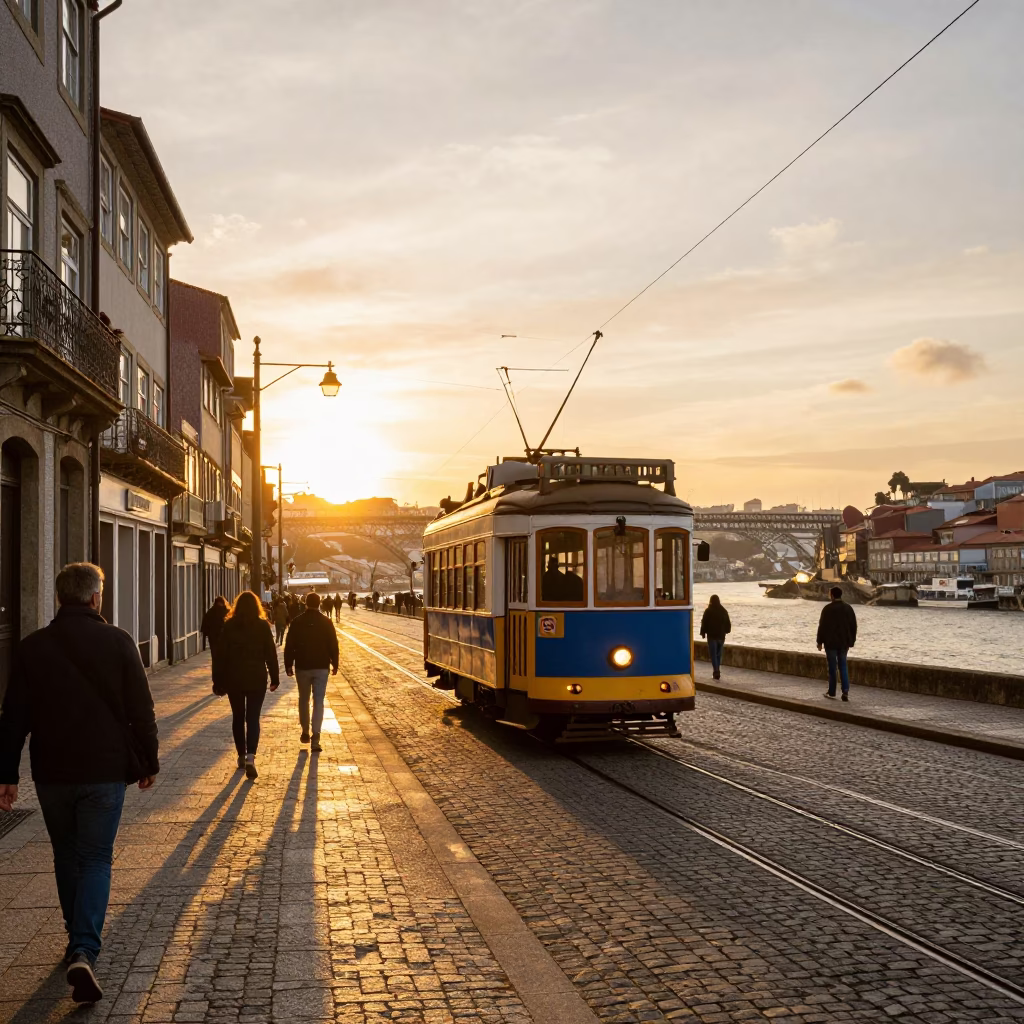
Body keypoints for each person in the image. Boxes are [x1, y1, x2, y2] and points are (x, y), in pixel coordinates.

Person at [0, 563, 158, 1004]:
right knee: (95, 858)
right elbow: (141, 709)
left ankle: (76, 937)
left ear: (59, 598)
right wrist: (150, 761)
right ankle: (83, 948)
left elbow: (13, 718)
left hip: (52, 772)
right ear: (94, 598)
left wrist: (6, 775)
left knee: (66, 854)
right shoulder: (119, 641)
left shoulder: (33, 648)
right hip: (104, 772)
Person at [213, 591, 279, 779]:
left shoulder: (230, 626)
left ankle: (241, 755)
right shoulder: (262, 626)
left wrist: (217, 681)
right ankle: (251, 757)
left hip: (234, 678)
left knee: (238, 717)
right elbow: (270, 654)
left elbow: (220, 657)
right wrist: (274, 678)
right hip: (256, 678)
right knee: (253, 717)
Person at [283, 592, 339, 753]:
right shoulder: (326, 622)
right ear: (319, 603)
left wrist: (288, 664)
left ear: (305, 603)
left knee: (303, 699)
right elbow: (333, 644)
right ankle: (316, 736)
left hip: (303, 666)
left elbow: (290, 645)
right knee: (319, 700)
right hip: (321, 666)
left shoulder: (297, 621)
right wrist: (335, 663)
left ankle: (305, 731)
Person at [817, 586, 858, 701]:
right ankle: (845, 691)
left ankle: (832, 692)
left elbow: (822, 627)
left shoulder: (827, 609)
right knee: (843, 666)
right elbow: (853, 626)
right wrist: (851, 641)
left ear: (832, 595)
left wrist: (819, 642)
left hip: (830, 643)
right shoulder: (848, 608)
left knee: (832, 668)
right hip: (844, 643)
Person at [699, 594, 732, 681]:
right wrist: (727, 631)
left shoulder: (708, 611)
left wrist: (703, 633)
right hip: (721, 637)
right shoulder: (724, 611)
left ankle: (716, 671)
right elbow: (728, 624)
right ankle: (717, 670)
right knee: (718, 654)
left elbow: (704, 623)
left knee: (713, 655)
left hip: (712, 636)